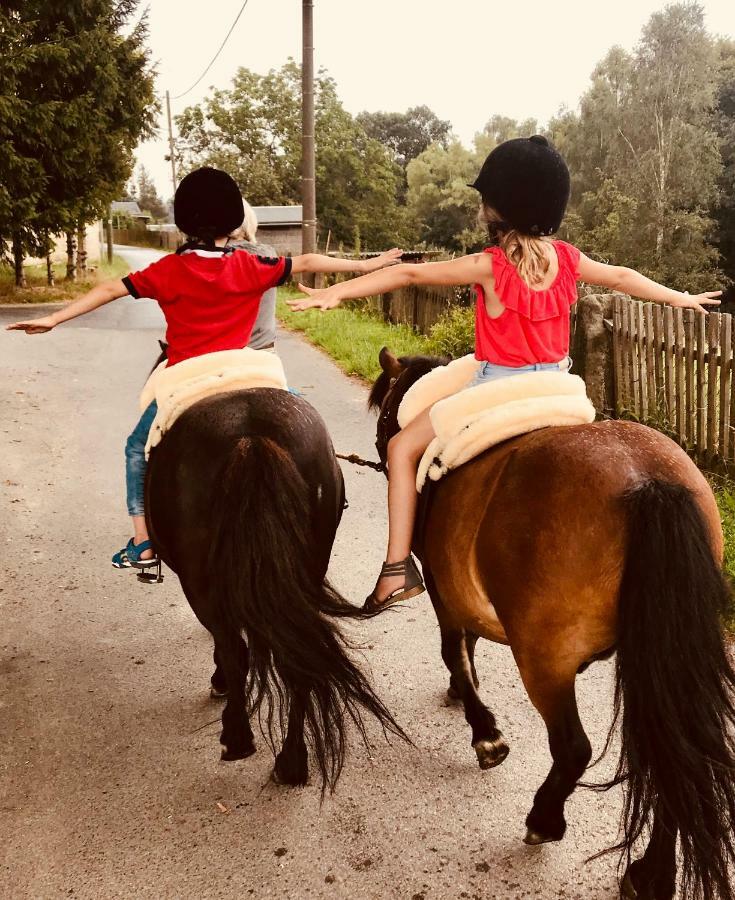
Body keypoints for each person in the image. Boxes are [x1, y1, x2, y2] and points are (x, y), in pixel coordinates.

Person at [287, 135, 722, 613]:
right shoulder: (568, 259)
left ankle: (395, 570)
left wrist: (339, 294)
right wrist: (679, 297)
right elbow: (621, 276)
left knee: (400, 446)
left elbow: (409, 275)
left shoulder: (489, 266)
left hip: (499, 387)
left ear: (498, 208)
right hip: (558, 386)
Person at [7, 166, 402, 570]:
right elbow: (307, 260)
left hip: (187, 376)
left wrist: (55, 318)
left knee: (134, 447)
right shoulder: (251, 266)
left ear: (185, 223)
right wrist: (367, 266)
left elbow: (110, 288)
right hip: (251, 368)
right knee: (309, 427)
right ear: (233, 223)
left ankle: (143, 542)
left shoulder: (168, 270)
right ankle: (331, 495)